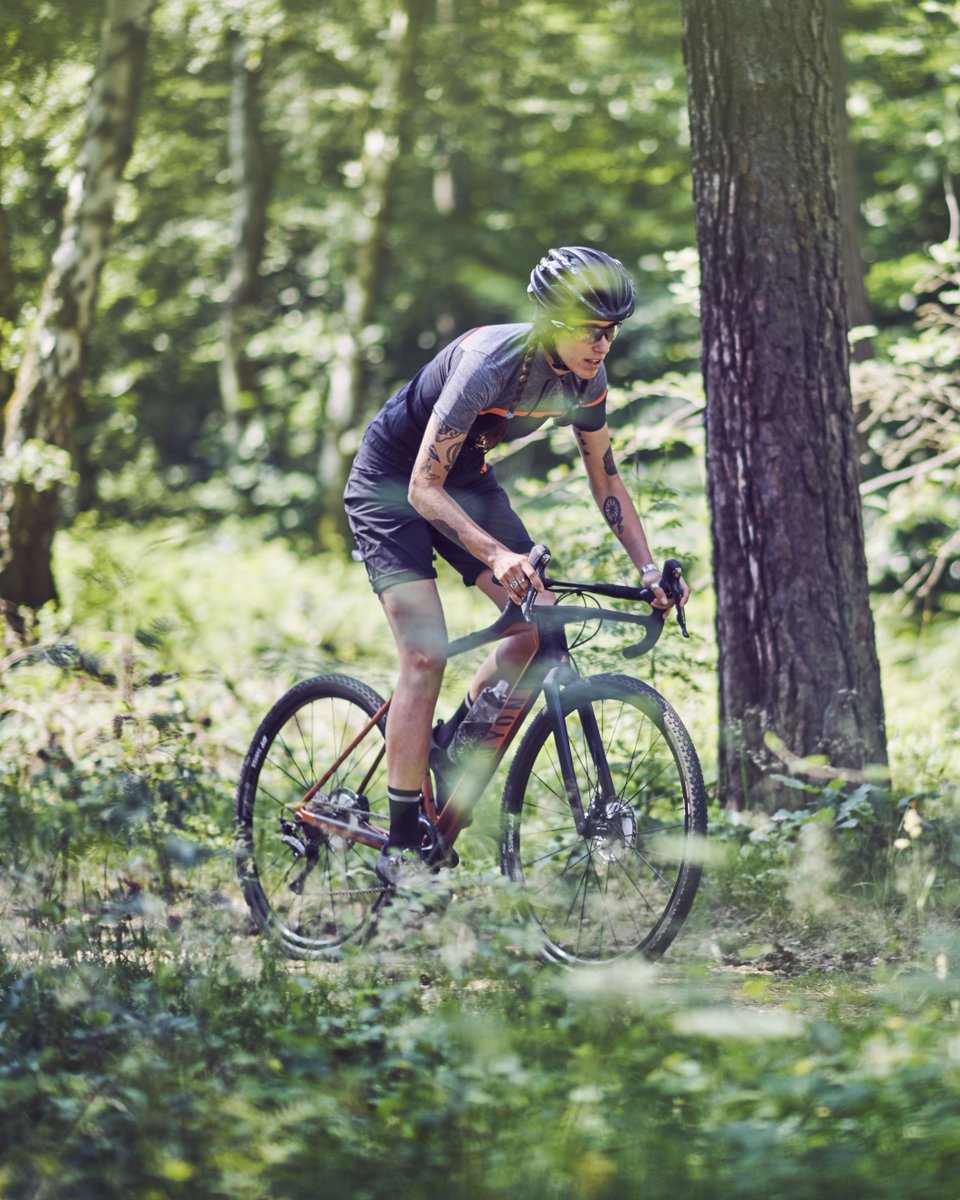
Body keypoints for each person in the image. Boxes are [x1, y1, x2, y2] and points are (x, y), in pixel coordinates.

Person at [343, 246, 689, 886]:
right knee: (425, 655)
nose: (603, 345)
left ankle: (445, 758)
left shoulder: (588, 381)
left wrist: (646, 571)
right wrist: (496, 554)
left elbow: (604, 476)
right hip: (392, 485)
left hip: (467, 481)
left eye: (612, 332)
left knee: (533, 627)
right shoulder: (487, 363)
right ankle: (397, 848)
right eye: (592, 330)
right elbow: (422, 488)